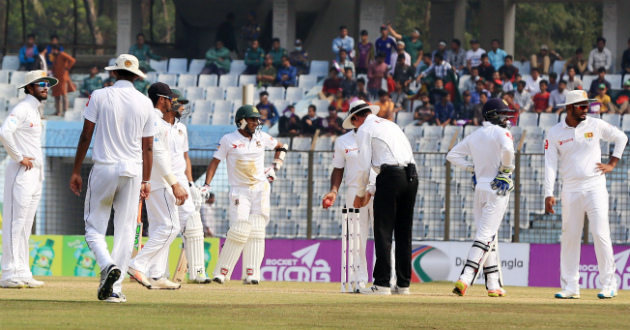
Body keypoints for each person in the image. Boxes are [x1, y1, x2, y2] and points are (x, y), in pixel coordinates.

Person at [69, 54, 155, 303]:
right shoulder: (145, 103)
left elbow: (86, 136)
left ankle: (107, 265)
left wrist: (75, 171)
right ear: (137, 76)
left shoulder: (99, 95)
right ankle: (114, 289)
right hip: (134, 171)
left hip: (105, 167)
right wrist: (147, 180)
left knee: (93, 227)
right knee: (126, 230)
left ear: (114, 73)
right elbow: (147, 147)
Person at [544, 90, 628, 299]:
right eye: (581, 106)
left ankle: (609, 284)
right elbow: (550, 164)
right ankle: (571, 287)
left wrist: (612, 163)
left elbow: (621, 137)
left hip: (595, 186)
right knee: (570, 237)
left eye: (587, 105)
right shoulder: (555, 132)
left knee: (600, 234)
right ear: (569, 108)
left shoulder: (595, 124)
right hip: (570, 189)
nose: (586, 109)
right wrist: (548, 193)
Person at [201, 105, 286, 284]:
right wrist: (206, 185)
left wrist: (275, 166)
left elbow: (281, 147)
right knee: (238, 229)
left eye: (257, 119)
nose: (256, 122)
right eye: (252, 119)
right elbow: (215, 162)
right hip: (240, 190)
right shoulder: (228, 139)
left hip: (260, 188)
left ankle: (252, 273)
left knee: (257, 229)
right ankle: (222, 272)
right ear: (241, 121)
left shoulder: (261, 137)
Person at [344, 100, 417, 295]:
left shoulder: (365, 130)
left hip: (390, 176)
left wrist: (361, 193)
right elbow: (397, 158)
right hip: (411, 176)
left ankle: (382, 283)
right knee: (403, 232)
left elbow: (363, 166)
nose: (354, 127)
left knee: (383, 230)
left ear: (355, 117)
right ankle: (403, 285)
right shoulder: (390, 124)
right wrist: (372, 190)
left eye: (353, 123)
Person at [447, 98, 516, 298]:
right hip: (498, 187)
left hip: (480, 188)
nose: (506, 119)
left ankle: (493, 284)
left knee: (488, 236)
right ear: (492, 114)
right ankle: (466, 278)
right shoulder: (502, 132)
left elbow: (452, 155)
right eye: (502, 114)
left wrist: (472, 169)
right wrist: (505, 170)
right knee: (486, 236)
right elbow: (509, 150)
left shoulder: (475, 135)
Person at [128, 83, 188, 291]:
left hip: (153, 180)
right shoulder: (155, 120)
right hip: (159, 182)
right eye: (170, 98)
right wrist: (174, 183)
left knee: (158, 227)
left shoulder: (157, 120)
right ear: (161, 99)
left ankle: (156, 274)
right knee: (171, 227)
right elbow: (157, 153)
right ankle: (137, 265)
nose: (173, 102)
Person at [0, 70, 57, 289]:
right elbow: (4, 132)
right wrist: (18, 157)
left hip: (35, 173)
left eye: (47, 84)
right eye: (41, 83)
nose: (45, 87)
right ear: (29, 87)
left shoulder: (34, 110)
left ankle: (22, 271)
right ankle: (8, 274)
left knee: (26, 225)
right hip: (21, 172)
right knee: (16, 223)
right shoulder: (22, 108)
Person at [165, 89, 211, 284]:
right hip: (164, 181)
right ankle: (159, 272)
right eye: (180, 103)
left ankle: (198, 272)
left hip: (183, 182)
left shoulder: (182, 128)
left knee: (193, 224)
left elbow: (185, 157)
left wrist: (191, 183)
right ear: (171, 103)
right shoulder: (157, 126)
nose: (183, 107)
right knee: (166, 228)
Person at [322, 129, 378, 290]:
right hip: (354, 188)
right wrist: (333, 191)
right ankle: (359, 279)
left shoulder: (376, 134)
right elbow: (338, 168)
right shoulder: (343, 140)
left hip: (378, 187)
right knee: (357, 235)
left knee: (382, 233)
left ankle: (385, 278)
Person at [50, 45, 76, 116]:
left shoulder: (62, 54)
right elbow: (54, 66)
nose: (51, 51)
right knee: (56, 95)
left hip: (63, 77)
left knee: (64, 95)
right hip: (56, 77)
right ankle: (58, 111)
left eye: (52, 49)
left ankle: (65, 111)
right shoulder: (54, 57)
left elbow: (72, 60)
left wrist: (67, 68)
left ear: (56, 50)